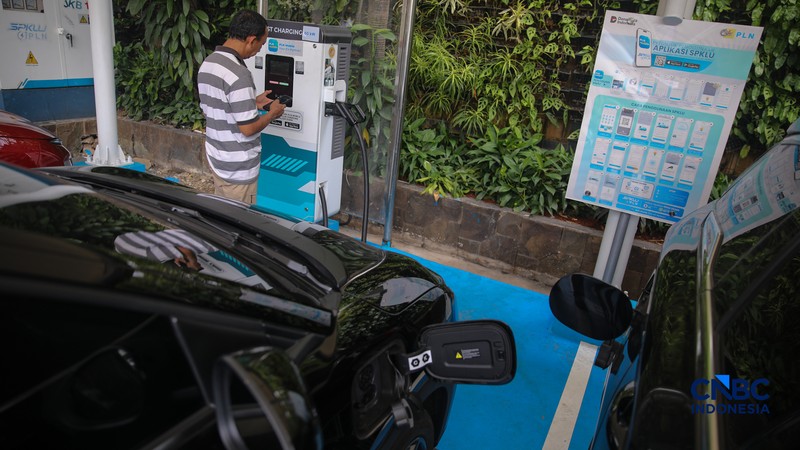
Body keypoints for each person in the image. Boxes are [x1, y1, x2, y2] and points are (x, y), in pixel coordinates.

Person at [197, 9, 286, 203]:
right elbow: (248, 128)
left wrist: (253, 101)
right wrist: (273, 113)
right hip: (238, 168)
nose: (259, 50)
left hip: (217, 158)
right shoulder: (239, 74)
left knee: (222, 213)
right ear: (251, 39)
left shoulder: (209, 63)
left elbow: (217, 104)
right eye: (261, 44)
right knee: (239, 224)